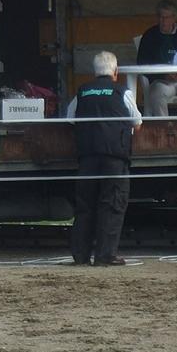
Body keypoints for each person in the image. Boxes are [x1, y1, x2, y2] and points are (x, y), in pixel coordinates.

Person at [67, 51, 142, 266]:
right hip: (114, 157)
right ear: (115, 72)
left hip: (87, 157)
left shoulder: (82, 92)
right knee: (112, 204)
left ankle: (80, 256)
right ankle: (105, 255)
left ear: (95, 72)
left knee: (85, 206)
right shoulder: (122, 92)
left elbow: (70, 119)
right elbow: (137, 122)